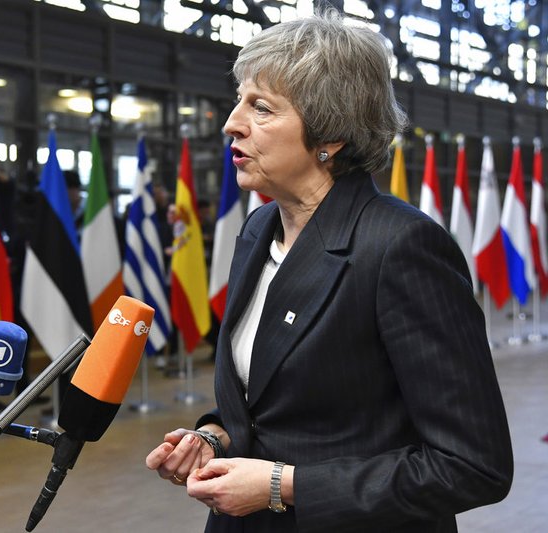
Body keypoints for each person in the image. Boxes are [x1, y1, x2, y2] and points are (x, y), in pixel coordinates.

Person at [146, 11, 513, 532]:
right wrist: (213, 437)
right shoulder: (257, 231)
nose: (231, 122)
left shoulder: (400, 247)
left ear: (330, 136)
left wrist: (281, 485)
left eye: (262, 107)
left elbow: (473, 466)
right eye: (239, 101)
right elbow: (272, 403)